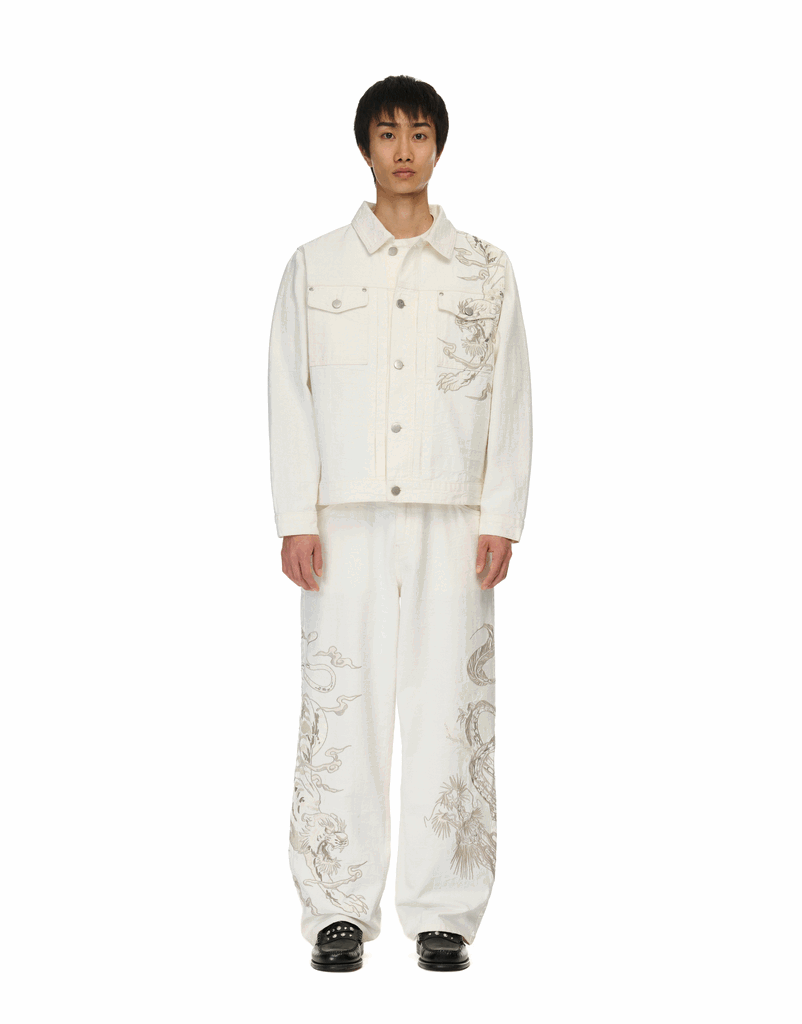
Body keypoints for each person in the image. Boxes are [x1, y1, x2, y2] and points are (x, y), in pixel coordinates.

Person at [267, 74, 533, 972]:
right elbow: (288, 394)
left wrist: (502, 513)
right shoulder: (315, 265)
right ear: (365, 146)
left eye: (419, 132)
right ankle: (336, 908)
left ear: (439, 145)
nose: (405, 149)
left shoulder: (485, 268)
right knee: (339, 706)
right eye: (388, 133)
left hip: (454, 521)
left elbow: (512, 395)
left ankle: (444, 910)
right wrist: (295, 514)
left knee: (452, 708)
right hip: (341, 525)